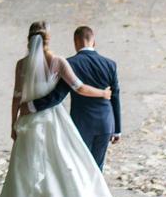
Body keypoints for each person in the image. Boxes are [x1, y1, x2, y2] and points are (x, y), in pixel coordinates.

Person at [0, 21, 131, 197]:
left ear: (29, 39)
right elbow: (78, 87)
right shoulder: (58, 62)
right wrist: (103, 93)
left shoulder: (21, 64)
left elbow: (16, 97)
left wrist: (13, 123)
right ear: (48, 38)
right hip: (52, 121)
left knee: (24, 172)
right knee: (60, 168)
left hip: (28, 122)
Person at [26, 25, 122, 169]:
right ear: (93, 42)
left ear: (75, 42)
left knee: (80, 165)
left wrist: (32, 105)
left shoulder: (70, 63)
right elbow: (115, 97)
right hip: (105, 123)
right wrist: (117, 129)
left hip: (81, 122)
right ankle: (96, 191)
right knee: (98, 167)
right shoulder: (110, 64)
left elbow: (58, 95)